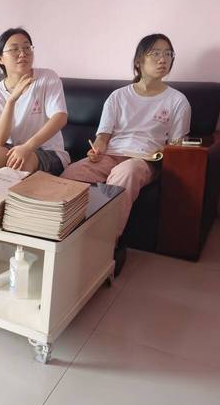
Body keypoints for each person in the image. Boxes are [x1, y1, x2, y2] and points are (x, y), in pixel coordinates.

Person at [61, 33, 191, 272]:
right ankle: (64, 237)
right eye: (155, 53)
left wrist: (163, 152)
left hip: (145, 161)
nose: (163, 59)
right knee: (71, 174)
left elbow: (176, 145)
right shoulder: (118, 96)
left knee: (125, 173)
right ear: (139, 61)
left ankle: (108, 243)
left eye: (168, 54)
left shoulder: (177, 101)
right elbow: (103, 136)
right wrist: (97, 150)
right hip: (111, 155)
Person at [0, 27, 69, 174]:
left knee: (21, 162)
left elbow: (60, 117)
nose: (23, 53)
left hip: (49, 152)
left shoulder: (47, 78)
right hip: (12, 148)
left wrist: (27, 147)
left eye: (27, 48)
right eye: (14, 49)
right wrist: (11, 100)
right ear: (0, 59)